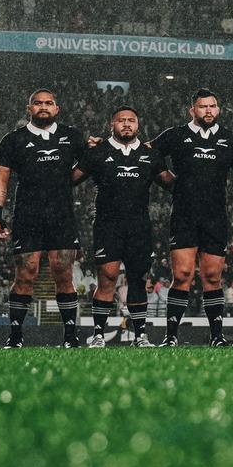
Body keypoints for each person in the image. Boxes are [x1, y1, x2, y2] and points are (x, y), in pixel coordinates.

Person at [0, 88, 89, 348]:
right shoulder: (13, 140)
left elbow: (89, 164)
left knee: (63, 273)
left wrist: (65, 181)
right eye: (37, 103)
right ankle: (15, 336)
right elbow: (0, 179)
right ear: (29, 109)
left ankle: (70, 337)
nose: (43, 107)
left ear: (57, 108)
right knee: (25, 274)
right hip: (27, 215)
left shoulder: (72, 136)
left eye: (48, 103)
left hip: (62, 215)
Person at [153, 90, 233, 346]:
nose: (208, 110)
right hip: (184, 215)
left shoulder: (229, 139)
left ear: (218, 109)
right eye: (203, 106)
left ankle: (217, 336)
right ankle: (171, 336)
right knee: (182, 274)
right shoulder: (176, 135)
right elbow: (146, 153)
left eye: (212, 106)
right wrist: (166, 178)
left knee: (213, 277)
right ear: (192, 110)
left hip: (215, 217)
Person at [77, 105, 163, 347]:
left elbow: (171, 183)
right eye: (121, 120)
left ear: (138, 125)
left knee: (138, 279)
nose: (126, 124)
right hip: (108, 226)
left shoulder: (150, 155)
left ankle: (140, 336)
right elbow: (70, 178)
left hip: (139, 227)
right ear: (111, 125)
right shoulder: (98, 152)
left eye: (131, 120)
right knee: (107, 278)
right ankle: (98, 335)